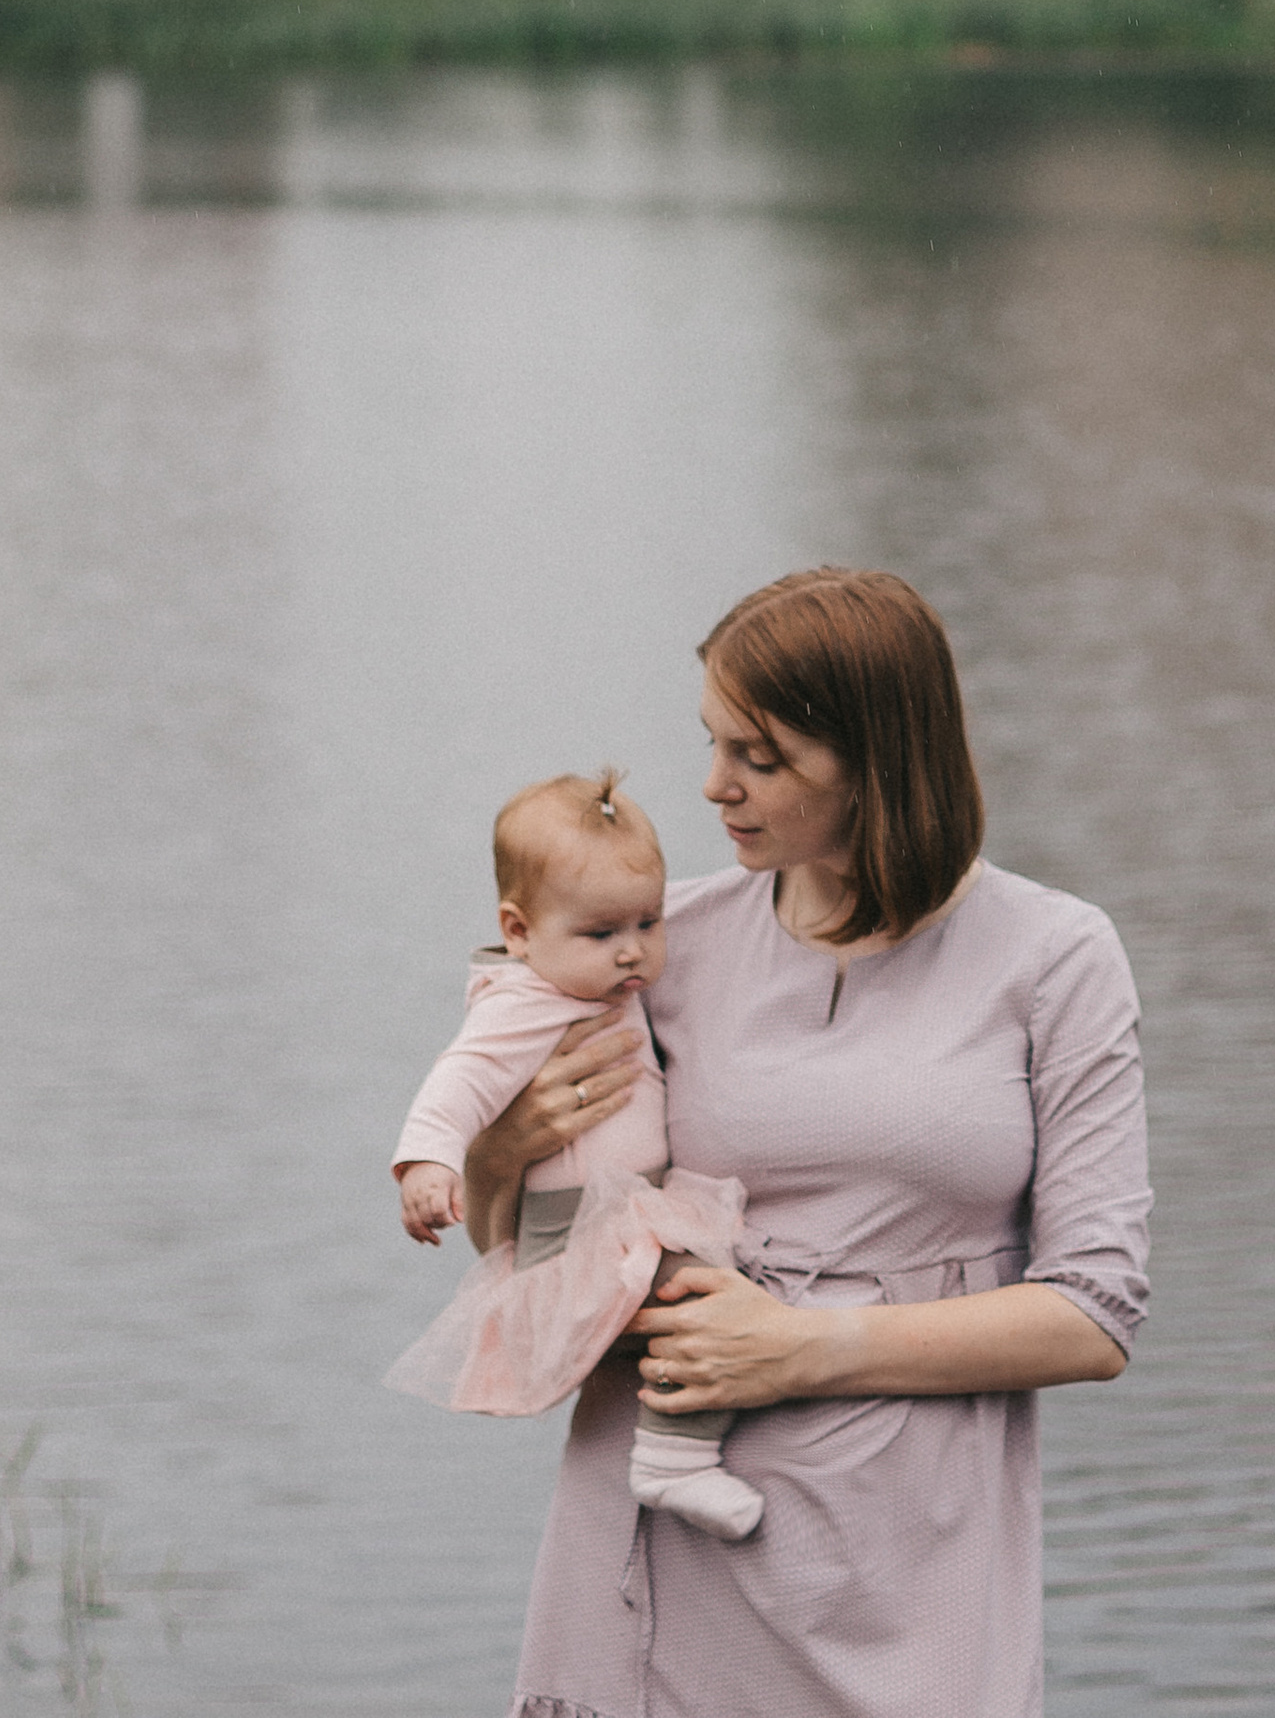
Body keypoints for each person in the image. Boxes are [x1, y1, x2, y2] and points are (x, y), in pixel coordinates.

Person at [457, 566, 1150, 1718]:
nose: (713, 786)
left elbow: (1092, 1316)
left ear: (881, 761)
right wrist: (495, 1156)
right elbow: (536, 1247)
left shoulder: (1055, 956)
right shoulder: (654, 942)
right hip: (661, 1512)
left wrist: (800, 1347)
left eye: (760, 757)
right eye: (714, 742)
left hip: (906, 1552)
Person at [386, 768, 766, 1540]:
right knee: (707, 1304)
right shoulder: (524, 1002)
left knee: (705, 1302)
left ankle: (675, 1447)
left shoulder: (600, 988)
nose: (632, 953)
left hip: (629, 1208)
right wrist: (428, 1162)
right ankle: (673, 1460)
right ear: (520, 932)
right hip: (580, 1226)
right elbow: (459, 1080)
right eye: (602, 935)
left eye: (648, 925)